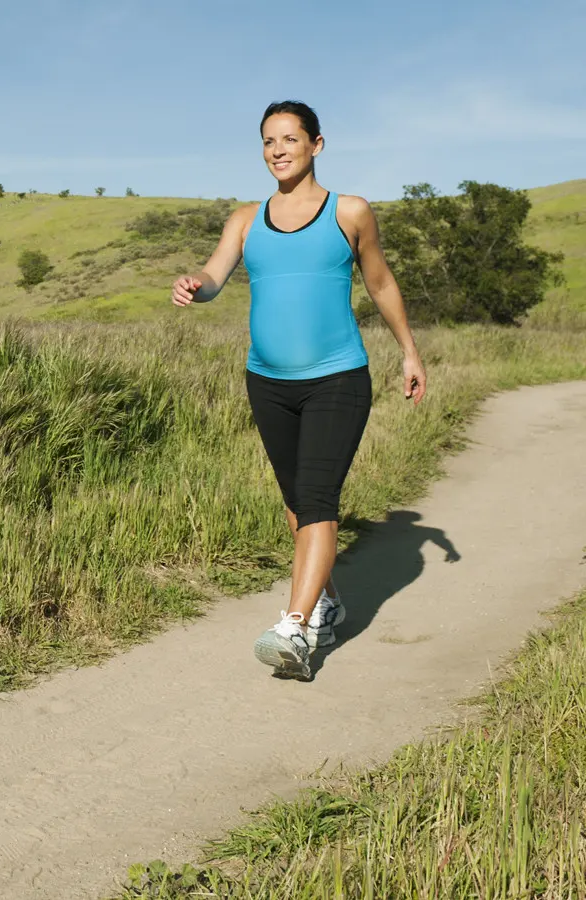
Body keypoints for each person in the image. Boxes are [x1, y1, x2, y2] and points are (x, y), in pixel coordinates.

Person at [171, 100, 426, 680]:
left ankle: (294, 626)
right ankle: (328, 602)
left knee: (315, 498)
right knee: (295, 503)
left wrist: (409, 351)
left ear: (316, 144)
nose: (278, 149)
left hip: (337, 377)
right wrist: (196, 284)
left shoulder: (349, 212)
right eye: (268, 141)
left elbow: (381, 282)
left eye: (289, 138)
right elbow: (215, 276)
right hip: (267, 381)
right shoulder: (244, 218)